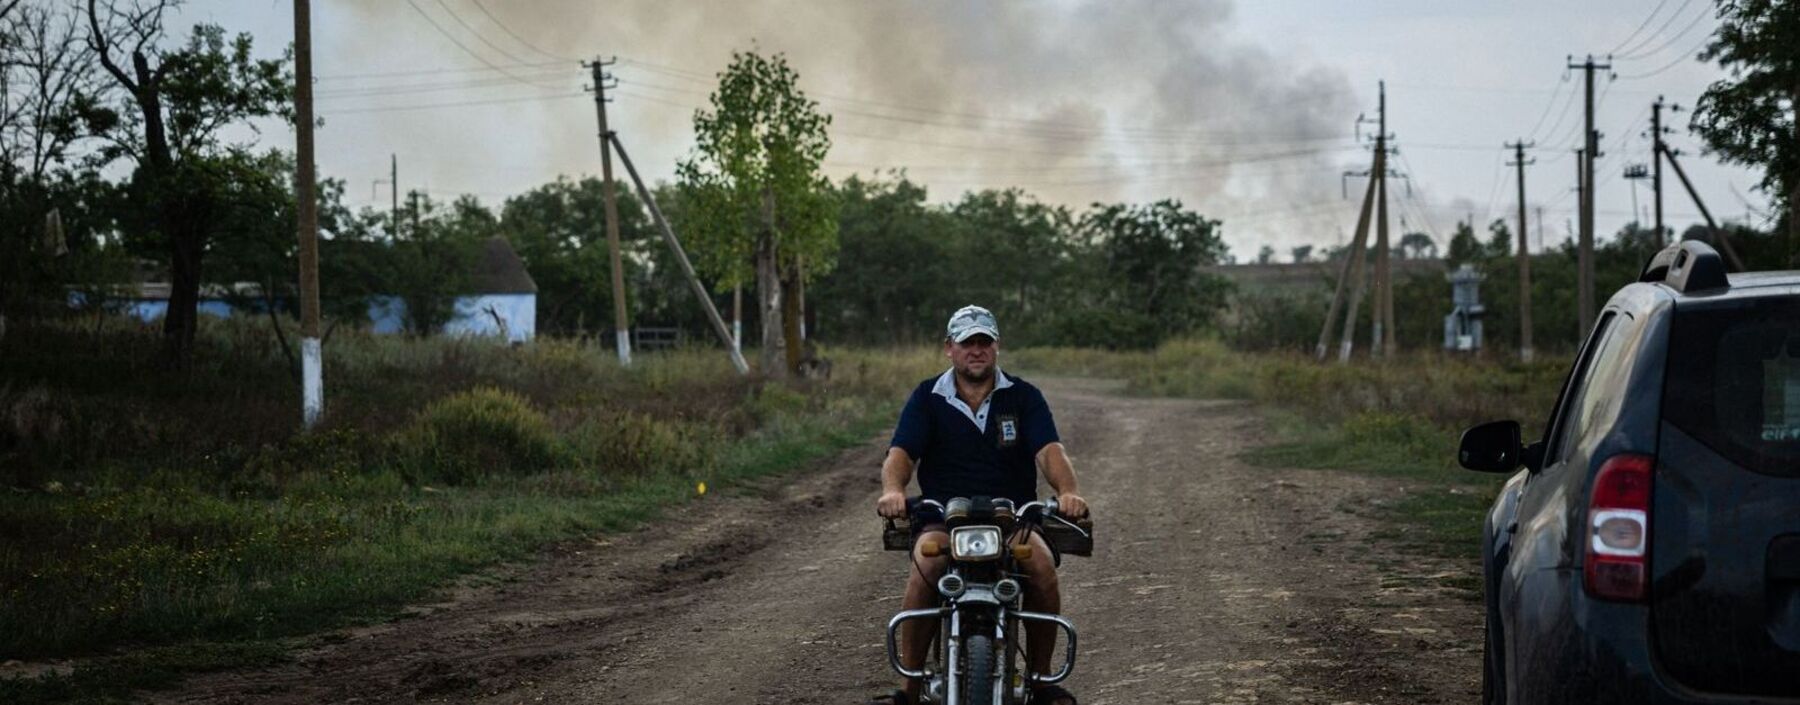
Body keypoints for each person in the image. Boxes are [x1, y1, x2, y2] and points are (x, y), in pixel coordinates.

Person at [872, 305, 1087, 705]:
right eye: (967, 342)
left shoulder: (1023, 397)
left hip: (1011, 519)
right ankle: (909, 688)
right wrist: (892, 490)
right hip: (942, 517)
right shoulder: (927, 397)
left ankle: (1040, 682)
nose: (976, 350)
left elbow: (1048, 451)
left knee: (1041, 568)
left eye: (983, 342)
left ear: (996, 347)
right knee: (926, 565)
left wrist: (1068, 490)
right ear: (949, 348)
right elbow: (901, 452)